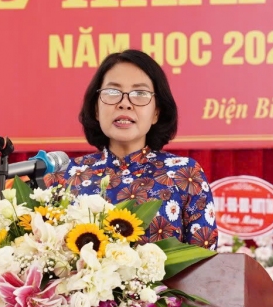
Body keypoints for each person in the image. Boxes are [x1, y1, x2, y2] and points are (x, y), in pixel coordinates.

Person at [46, 49, 217, 248]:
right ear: (96, 109)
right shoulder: (64, 176)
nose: (125, 104)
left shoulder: (184, 174)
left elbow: (206, 260)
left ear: (156, 112)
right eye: (112, 92)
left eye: (140, 94)